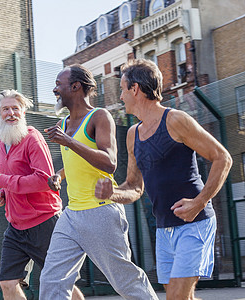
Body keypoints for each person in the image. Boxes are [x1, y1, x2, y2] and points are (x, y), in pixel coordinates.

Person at [94, 59, 233, 300]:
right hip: (164, 229)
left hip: (195, 224)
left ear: (135, 89)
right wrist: (111, 193)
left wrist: (199, 202)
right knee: (181, 297)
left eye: (122, 89)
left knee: (176, 298)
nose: (121, 96)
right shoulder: (132, 135)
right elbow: (134, 187)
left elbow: (222, 158)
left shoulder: (176, 120)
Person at [39, 65, 158, 300]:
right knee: (51, 280)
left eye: (58, 84)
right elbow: (77, 160)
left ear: (75, 87)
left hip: (100, 213)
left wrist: (69, 142)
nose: (54, 89)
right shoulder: (63, 125)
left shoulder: (99, 116)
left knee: (125, 282)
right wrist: (60, 175)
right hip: (72, 214)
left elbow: (109, 162)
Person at [0, 89, 83, 300]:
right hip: (16, 226)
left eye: (16, 108)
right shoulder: (0, 146)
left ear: (23, 112)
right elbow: (14, 180)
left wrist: (5, 181)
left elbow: (45, 180)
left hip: (44, 222)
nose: (11, 113)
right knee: (7, 283)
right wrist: (3, 194)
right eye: (6, 109)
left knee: (61, 282)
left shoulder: (33, 138)